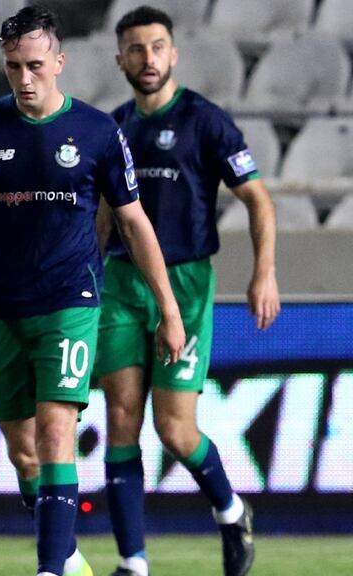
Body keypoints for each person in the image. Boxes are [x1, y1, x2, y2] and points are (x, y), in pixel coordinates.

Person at [0, 6, 186, 576]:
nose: (24, 79)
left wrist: (167, 308)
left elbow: (134, 223)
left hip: (71, 301)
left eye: (35, 66)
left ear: (60, 63)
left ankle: (47, 570)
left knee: (55, 432)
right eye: (14, 67)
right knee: (22, 452)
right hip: (2, 305)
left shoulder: (98, 132)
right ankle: (68, 561)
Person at [96, 6, 280, 576]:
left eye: (157, 47)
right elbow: (103, 213)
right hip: (121, 283)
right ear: (120, 60)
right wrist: (85, 274)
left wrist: (264, 272)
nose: (147, 58)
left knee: (174, 430)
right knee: (121, 417)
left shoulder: (206, 121)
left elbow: (257, 199)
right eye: (136, 49)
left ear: (173, 54)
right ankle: (133, 562)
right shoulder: (114, 128)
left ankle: (231, 510)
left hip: (185, 284)